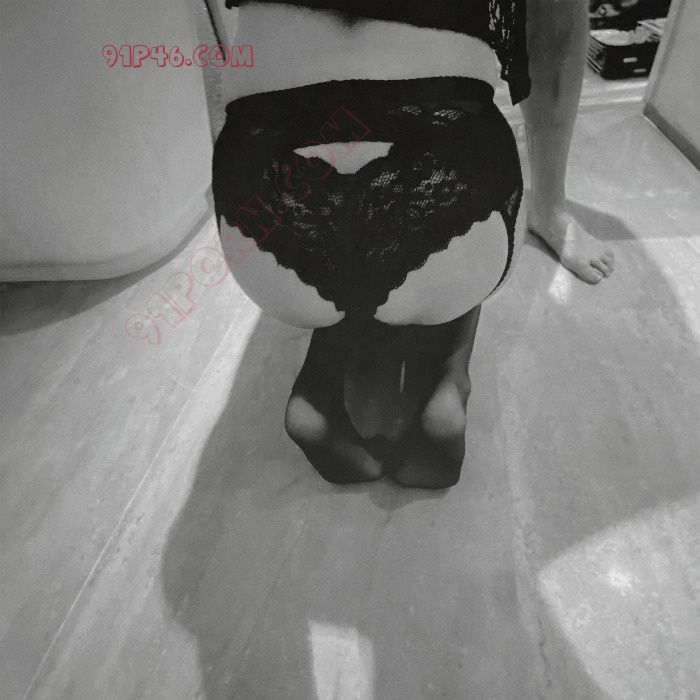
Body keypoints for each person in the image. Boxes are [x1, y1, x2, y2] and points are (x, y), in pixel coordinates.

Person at [213, 0, 614, 489]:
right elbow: (553, 34)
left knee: (344, 262)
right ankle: (447, 383)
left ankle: (317, 392)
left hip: (258, 181)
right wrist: (550, 207)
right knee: (448, 233)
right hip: (441, 146)